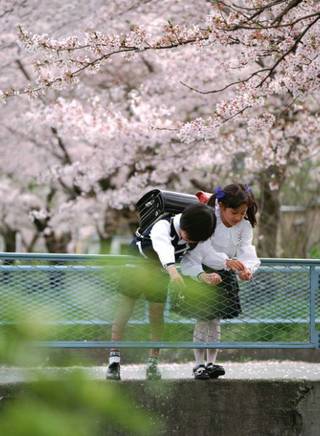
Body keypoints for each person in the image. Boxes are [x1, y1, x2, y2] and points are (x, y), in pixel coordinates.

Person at [106, 203, 216, 381]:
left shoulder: (192, 238)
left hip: (161, 271)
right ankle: (114, 360)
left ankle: (152, 363)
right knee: (124, 311)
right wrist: (173, 272)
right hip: (137, 265)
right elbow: (163, 247)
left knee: (156, 315)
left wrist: (203, 274)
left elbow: (192, 260)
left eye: (195, 240)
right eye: (191, 237)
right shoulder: (162, 225)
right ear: (185, 226)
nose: (191, 242)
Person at [180, 183, 260, 380]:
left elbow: (246, 251)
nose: (239, 217)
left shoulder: (244, 225)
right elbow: (202, 251)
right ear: (222, 206)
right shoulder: (210, 219)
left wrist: (246, 269)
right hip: (202, 270)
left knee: (215, 320)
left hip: (225, 273)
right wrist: (226, 262)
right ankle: (198, 364)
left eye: (243, 213)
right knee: (202, 318)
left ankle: (211, 362)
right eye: (235, 212)